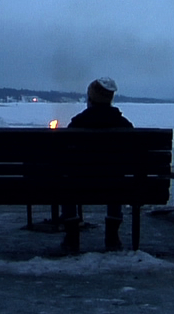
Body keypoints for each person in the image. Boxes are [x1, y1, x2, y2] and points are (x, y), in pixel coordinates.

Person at [61, 77, 133, 253]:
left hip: (78, 184)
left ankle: (72, 238)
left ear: (91, 98)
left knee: (65, 183)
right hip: (114, 184)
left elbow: (63, 157)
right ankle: (112, 237)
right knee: (116, 178)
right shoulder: (124, 126)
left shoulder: (77, 124)